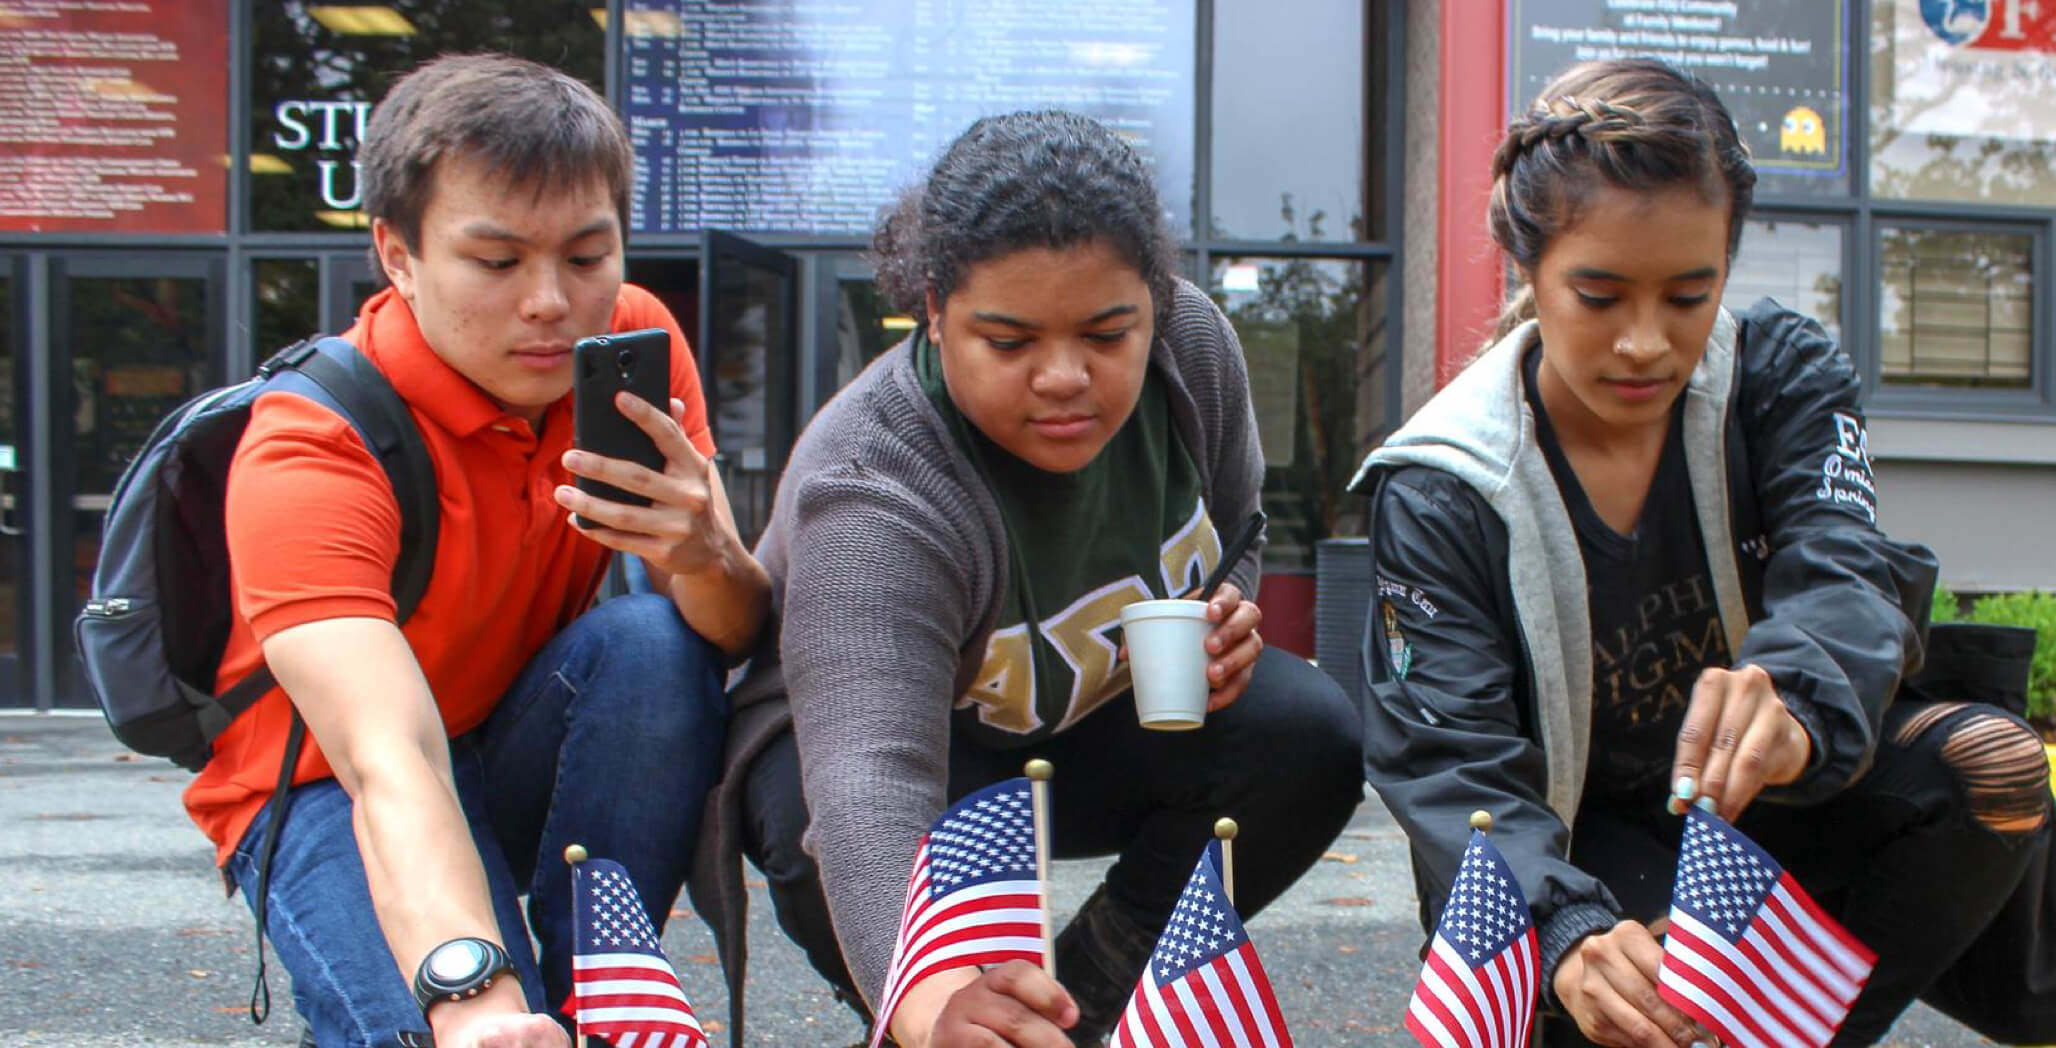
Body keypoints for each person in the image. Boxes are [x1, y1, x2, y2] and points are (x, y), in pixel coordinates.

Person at [1352, 57, 2050, 1048]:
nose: (1645, 343)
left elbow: (1845, 568)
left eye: (1688, 294)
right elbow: (1447, 760)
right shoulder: (1442, 483)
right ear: (1527, 268)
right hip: (1577, 843)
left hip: (1769, 805)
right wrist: (1566, 926)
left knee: (1990, 766)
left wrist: (1797, 701)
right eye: (1599, 295)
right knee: (1639, 977)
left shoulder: (1779, 375)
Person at [689, 109, 1364, 1047]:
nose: (1063, 378)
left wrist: (1225, 615)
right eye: (1008, 342)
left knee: (1306, 735)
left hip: (1079, 728)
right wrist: (926, 998)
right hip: (882, 777)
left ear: (1154, 305)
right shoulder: (875, 482)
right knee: (915, 962)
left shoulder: (1194, 351)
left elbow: (1236, 527)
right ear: (934, 308)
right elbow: (867, 783)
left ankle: (1085, 1002)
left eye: (1106, 333)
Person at [186, 54, 768, 1048]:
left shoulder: (633, 344)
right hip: (328, 779)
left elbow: (730, 631)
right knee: (439, 1028)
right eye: (497, 263)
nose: (550, 302)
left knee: (653, 642)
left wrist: (708, 553)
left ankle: (601, 989)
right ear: (397, 255)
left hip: (508, 733)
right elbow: (389, 758)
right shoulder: (313, 446)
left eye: (587, 257)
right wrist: (476, 995)